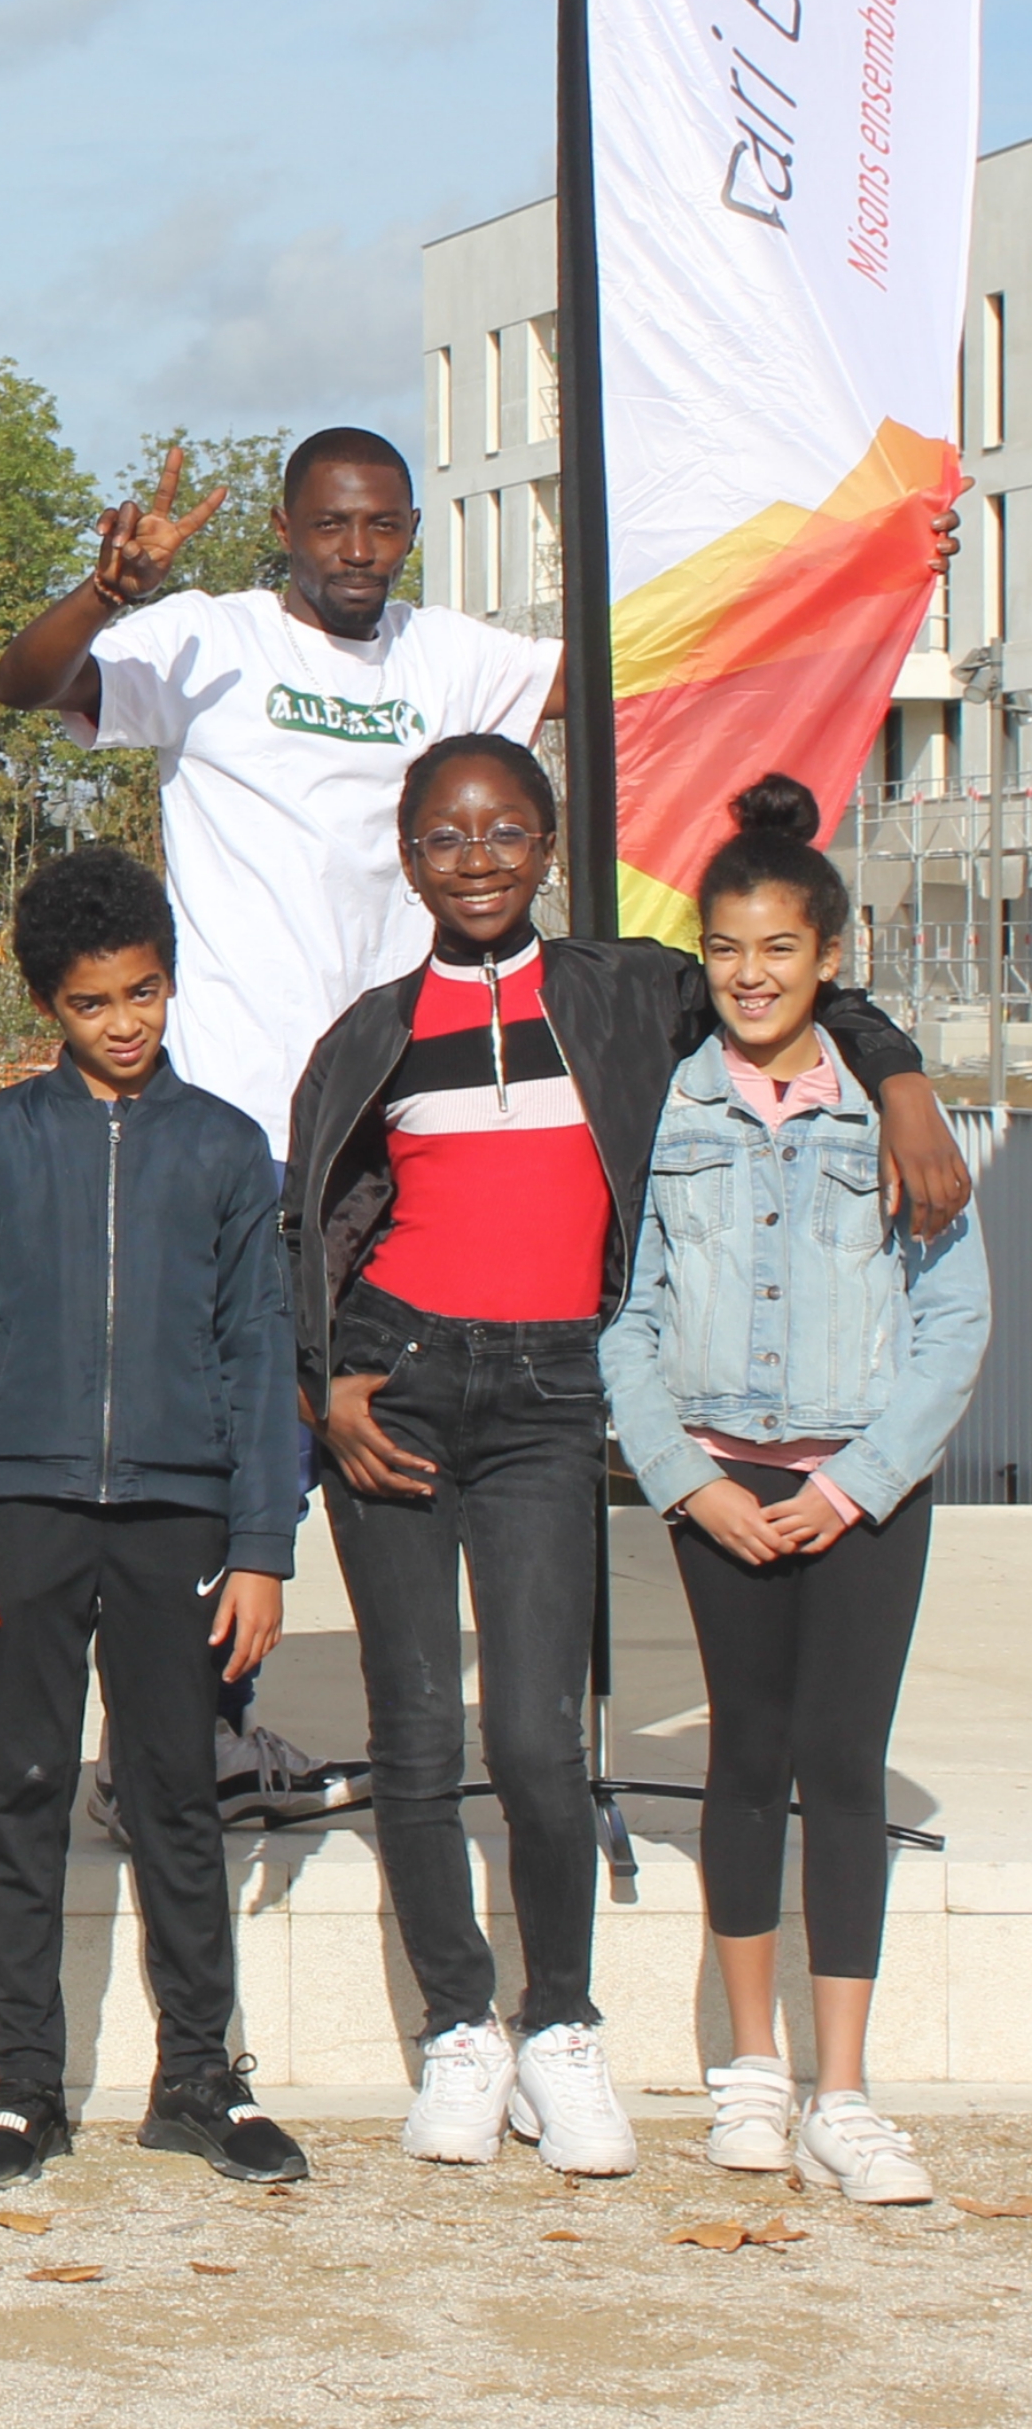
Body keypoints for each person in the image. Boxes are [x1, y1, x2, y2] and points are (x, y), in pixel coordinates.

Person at [284, 734, 946, 2179]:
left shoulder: (622, 991)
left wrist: (894, 1081)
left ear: (545, 849)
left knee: (532, 1735)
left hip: (545, 1392)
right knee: (410, 1733)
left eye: (505, 833)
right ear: (407, 858)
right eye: (446, 837)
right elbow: (313, 1214)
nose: (476, 859)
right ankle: (458, 2028)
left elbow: (792, 987)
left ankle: (556, 2026)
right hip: (392, 1385)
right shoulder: (367, 1029)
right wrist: (324, 1383)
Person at [599, 777, 988, 2208]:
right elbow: (622, 1319)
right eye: (723, 951)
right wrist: (685, 1483)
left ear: (828, 955)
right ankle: (747, 2073)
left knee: (840, 1763)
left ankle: (840, 2088)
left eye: (776, 950)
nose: (748, 977)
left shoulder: (891, 1115)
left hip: (858, 1499)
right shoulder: (666, 1108)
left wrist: (859, 1484)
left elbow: (951, 1323)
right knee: (741, 1760)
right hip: (722, 1489)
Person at [0, 850, 306, 2195]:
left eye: (141, 994)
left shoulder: (220, 1148)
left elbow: (258, 1355)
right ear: (48, 1006)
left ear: (168, 984)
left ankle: (196, 2076)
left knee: (173, 1798)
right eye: (91, 1004)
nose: (122, 1024)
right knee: (20, 1791)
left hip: (172, 1521)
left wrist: (259, 1547)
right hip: (19, 1514)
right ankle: (23, 2087)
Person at [0, 428, 555, 1166]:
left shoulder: (448, 653)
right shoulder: (210, 637)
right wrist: (105, 595)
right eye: (329, 524)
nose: (357, 550)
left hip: (397, 1106)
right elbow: (23, 685)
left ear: (411, 531)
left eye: (382, 525)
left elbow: (618, 678)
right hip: (232, 1110)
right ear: (283, 529)